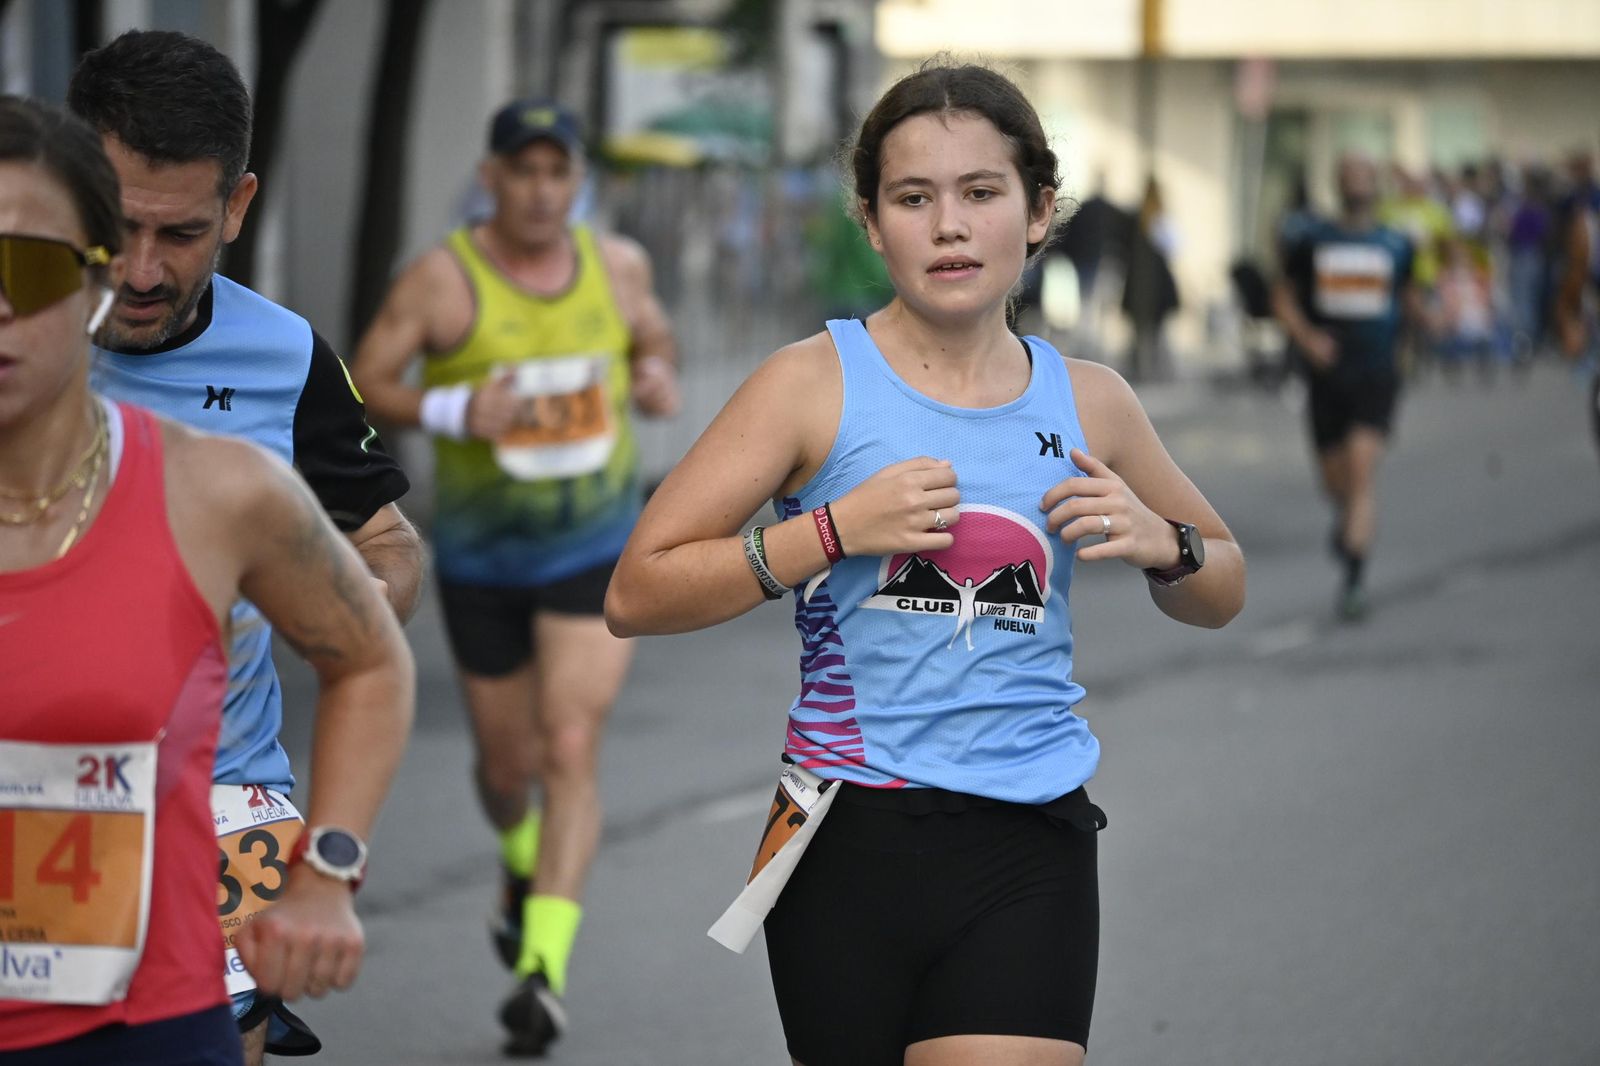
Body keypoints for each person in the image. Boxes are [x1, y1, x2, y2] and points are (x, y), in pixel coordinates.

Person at [605, 62, 1245, 1066]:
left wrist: (1164, 543)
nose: (948, 225)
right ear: (871, 221)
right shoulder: (808, 385)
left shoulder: (1093, 401)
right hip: (842, 840)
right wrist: (831, 530)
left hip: (1027, 837)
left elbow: (1224, 587)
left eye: (980, 193)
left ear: (1037, 211)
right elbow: (637, 588)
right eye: (913, 197)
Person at [0, 95, 413, 1065]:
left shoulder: (222, 484)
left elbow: (371, 644)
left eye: (33, 270)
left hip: (181, 900)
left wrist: (329, 867)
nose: (149, 271)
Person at [351, 98, 679, 1055]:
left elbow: (655, 341)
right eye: (522, 171)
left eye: (557, 172)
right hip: (487, 560)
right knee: (508, 772)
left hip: (594, 549)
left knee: (571, 745)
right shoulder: (444, 280)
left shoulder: (618, 268)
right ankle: (519, 858)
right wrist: (454, 410)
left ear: (577, 181)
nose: (541, 190)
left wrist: (656, 373)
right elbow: (362, 379)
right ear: (491, 177)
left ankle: (544, 964)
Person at [1274, 154, 1423, 622]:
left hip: (1376, 375)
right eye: (1349, 176)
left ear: (1374, 183)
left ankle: (1354, 580)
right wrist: (1308, 338)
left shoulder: (1397, 244)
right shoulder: (1314, 240)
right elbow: (1283, 298)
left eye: (1364, 175)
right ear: (1338, 183)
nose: (1356, 183)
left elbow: (1409, 299)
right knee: (1335, 482)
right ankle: (1349, 527)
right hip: (1326, 380)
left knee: (1361, 476)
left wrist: (1425, 331)